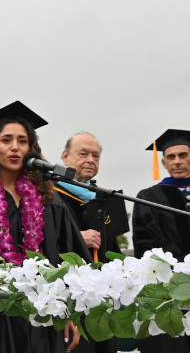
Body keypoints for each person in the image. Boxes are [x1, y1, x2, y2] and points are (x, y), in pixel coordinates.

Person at [0, 101, 91, 353]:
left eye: (22, 141)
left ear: (32, 149)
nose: (15, 148)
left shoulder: (49, 200)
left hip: (44, 312)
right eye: (6, 140)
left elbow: (70, 257)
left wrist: (69, 311)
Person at [133, 129, 190, 353]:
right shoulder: (148, 197)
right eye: (171, 157)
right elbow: (146, 244)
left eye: (183, 155)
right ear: (163, 162)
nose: (177, 161)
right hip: (169, 291)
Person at [56, 133, 123, 262]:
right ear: (65, 156)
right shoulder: (49, 194)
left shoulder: (102, 199)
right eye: (83, 154)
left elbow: (112, 248)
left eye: (95, 156)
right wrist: (75, 239)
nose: (91, 160)